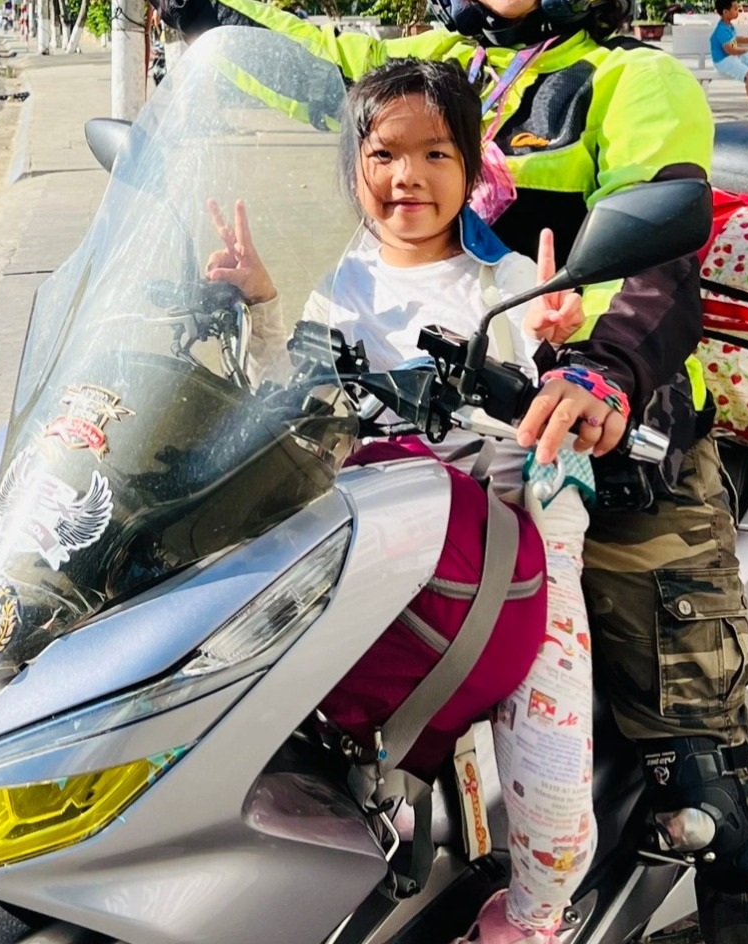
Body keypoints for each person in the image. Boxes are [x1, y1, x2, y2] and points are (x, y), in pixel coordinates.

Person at [111, 0, 748, 944]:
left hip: (601, 446)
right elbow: (303, 62)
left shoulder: (630, 83)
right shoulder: (426, 74)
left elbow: (662, 265)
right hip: (428, 442)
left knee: (701, 786)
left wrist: (597, 375)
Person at [221, 58, 596, 944]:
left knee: (548, 750)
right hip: (380, 532)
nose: (408, 177)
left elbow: (555, 415)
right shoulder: (342, 282)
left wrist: (549, 347)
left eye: (435, 153)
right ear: (355, 169)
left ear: (471, 167)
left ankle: (536, 918)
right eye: (385, 153)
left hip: (515, 545)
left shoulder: (505, 284)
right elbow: (298, 402)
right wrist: (262, 305)